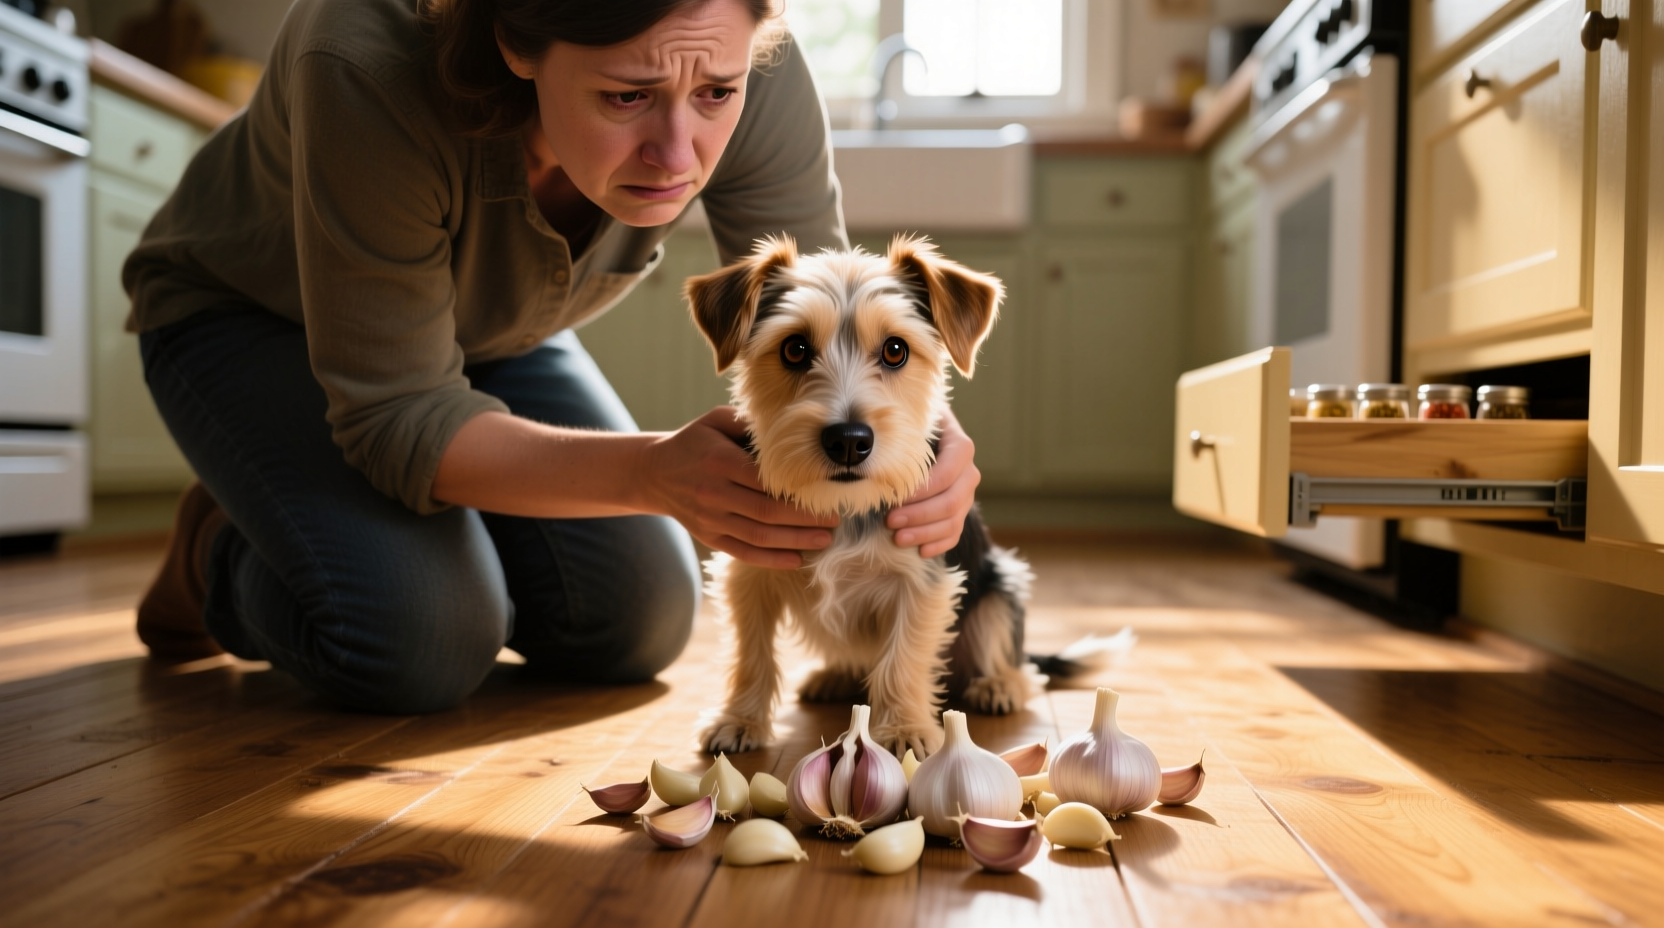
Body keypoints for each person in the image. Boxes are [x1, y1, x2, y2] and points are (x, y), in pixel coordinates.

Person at [127, 0, 983, 714]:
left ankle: (384, 523)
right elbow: (396, 413)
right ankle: (220, 548)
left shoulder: (743, 51)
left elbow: (835, 320)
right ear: (516, 42)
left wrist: (934, 450)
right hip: (255, 320)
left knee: (637, 619)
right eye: (625, 97)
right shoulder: (361, 60)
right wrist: (653, 472)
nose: (678, 155)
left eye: (717, 93)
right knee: (423, 638)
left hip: (490, 339)